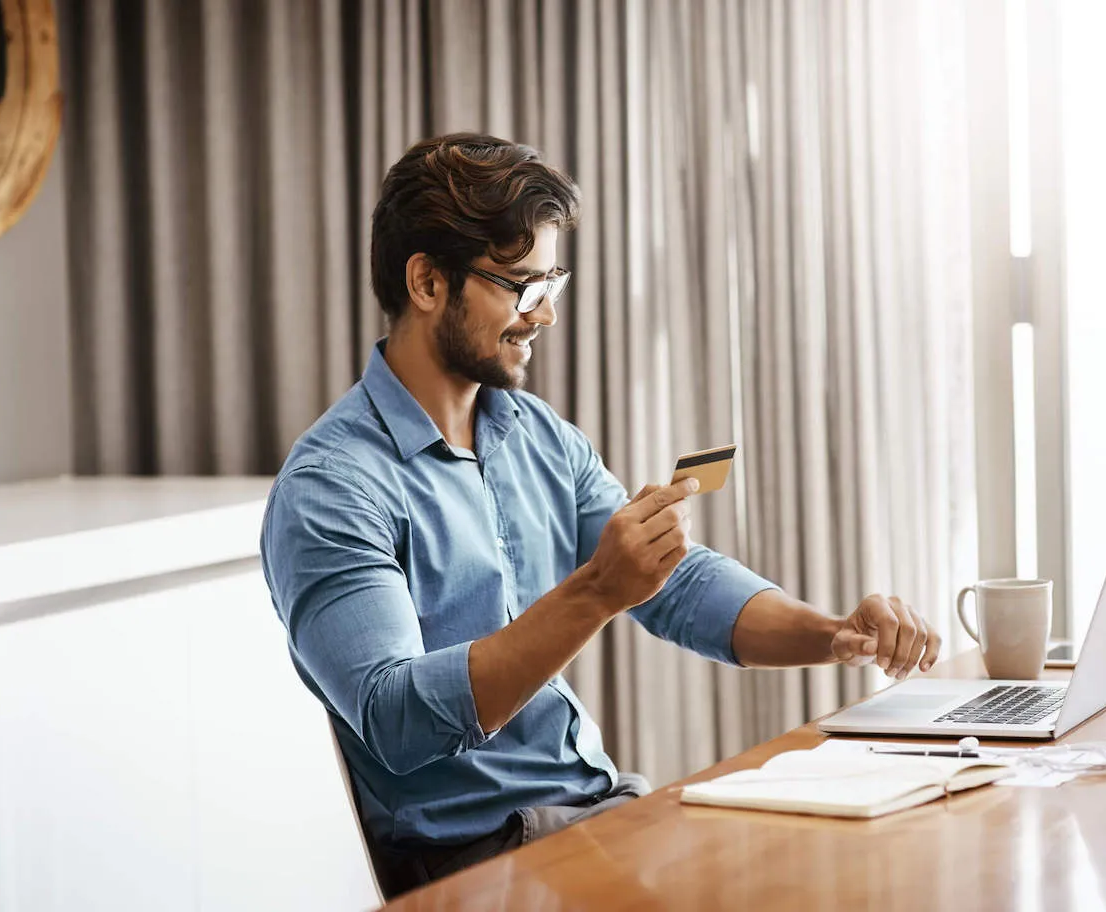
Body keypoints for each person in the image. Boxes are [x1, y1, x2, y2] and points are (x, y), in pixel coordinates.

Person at [259, 133, 941, 897]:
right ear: (426, 282)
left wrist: (835, 633)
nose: (544, 315)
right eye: (520, 286)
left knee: (850, 867)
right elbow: (393, 715)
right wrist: (593, 592)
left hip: (598, 813)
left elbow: (677, 588)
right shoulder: (333, 486)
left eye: (554, 282)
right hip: (479, 863)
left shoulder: (536, 434)